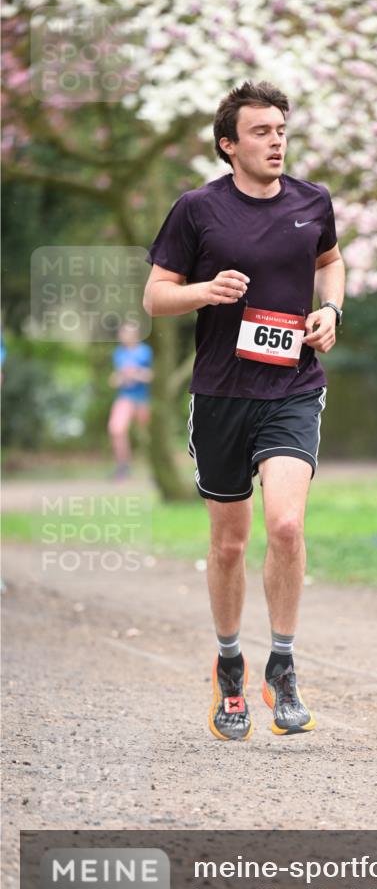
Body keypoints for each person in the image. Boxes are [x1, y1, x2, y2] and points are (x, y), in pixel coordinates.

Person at [143, 81, 345, 741]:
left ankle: (281, 665)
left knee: (285, 526)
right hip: (221, 395)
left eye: (281, 129)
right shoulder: (196, 209)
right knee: (229, 543)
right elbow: (155, 297)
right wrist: (203, 290)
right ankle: (229, 665)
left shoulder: (312, 201)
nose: (276, 140)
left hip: (291, 387)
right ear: (229, 144)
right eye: (260, 131)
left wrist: (330, 310)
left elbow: (331, 261)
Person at [107, 323, 153, 480]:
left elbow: (152, 376)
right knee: (116, 429)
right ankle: (122, 467)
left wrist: (136, 374)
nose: (124, 335)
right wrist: (120, 378)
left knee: (146, 435)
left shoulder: (145, 352)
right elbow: (115, 378)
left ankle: (153, 469)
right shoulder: (118, 353)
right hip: (125, 397)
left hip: (142, 399)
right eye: (122, 332)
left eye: (127, 332)